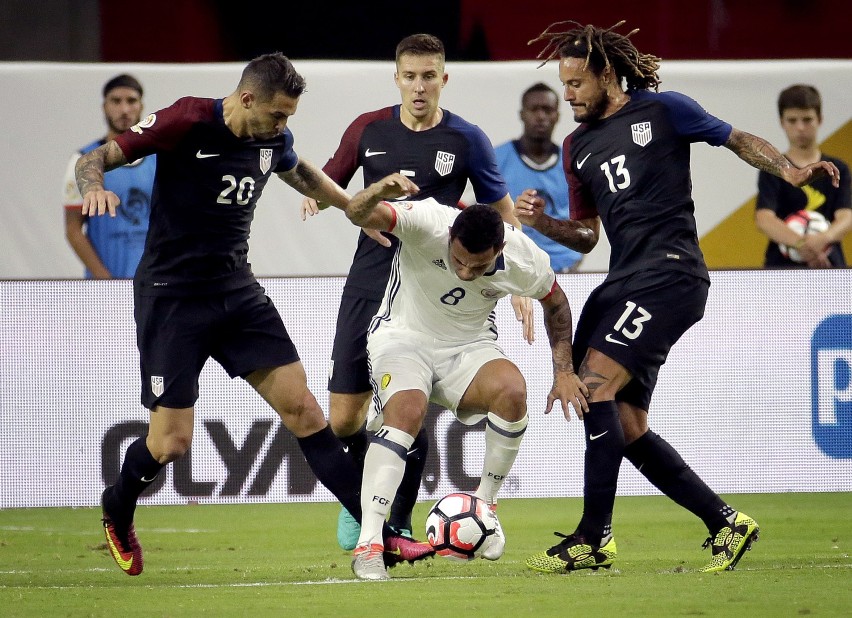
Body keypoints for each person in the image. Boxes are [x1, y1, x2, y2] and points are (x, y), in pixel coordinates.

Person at [75, 53, 433, 576]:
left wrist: (364, 205)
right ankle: (118, 504)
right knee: (171, 443)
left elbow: (310, 179)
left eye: (288, 117)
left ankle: (377, 535)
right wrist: (93, 186)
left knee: (307, 413)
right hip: (172, 297)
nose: (282, 127)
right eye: (277, 116)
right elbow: (95, 159)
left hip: (238, 294)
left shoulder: (272, 139)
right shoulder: (187, 119)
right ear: (247, 99)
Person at [516, 20, 840, 574]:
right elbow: (588, 234)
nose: (568, 94)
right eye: (564, 85)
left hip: (671, 275)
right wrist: (543, 221)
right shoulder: (577, 146)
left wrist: (789, 168)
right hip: (625, 280)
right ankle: (725, 524)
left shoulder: (663, 110)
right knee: (628, 422)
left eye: (575, 83)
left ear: (605, 74)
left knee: (594, 388)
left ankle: (594, 538)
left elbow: (736, 138)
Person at [301, 33, 531, 552]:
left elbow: (501, 211)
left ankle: (395, 522)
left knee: (410, 400)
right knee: (344, 419)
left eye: (430, 76)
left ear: (444, 78)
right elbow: (332, 185)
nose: (420, 86)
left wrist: (517, 282)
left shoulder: (467, 139)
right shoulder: (369, 129)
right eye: (411, 76)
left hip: (428, 293)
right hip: (369, 278)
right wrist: (327, 199)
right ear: (397, 78)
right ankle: (361, 496)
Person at [329, 173, 587, 580]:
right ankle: (370, 543)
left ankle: (486, 507)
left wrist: (564, 371)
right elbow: (355, 212)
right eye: (458, 259)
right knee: (408, 412)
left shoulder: (523, 257)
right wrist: (377, 191)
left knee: (512, 390)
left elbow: (557, 304)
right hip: (402, 337)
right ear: (450, 237)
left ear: (500, 247)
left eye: (478, 265)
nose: (465, 271)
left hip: (468, 348)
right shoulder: (428, 221)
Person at [63, 74, 155, 279]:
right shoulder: (84, 162)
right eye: (116, 101)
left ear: (141, 106)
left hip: (153, 286)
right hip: (104, 287)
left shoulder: (160, 160)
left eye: (131, 101)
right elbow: (73, 229)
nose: (124, 109)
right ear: (104, 106)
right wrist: (104, 279)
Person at [755, 84, 851, 268]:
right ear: (782, 122)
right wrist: (801, 244)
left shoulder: (837, 168)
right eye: (792, 120)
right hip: (781, 269)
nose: (800, 128)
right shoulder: (773, 169)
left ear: (820, 120)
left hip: (829, 266)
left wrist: (823, 239)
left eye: (807, 119)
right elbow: (764, 218)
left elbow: (846, 216)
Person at [495, 82, 582, 273]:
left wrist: (573, 261)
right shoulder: (496, 159)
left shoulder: (573, 163)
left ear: (557, 116)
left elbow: (584, 221)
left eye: (547, 109)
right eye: (534, 109)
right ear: (522, 114)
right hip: (513, 269)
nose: (541, 116)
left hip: (564, 268)